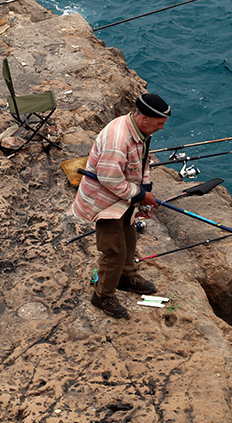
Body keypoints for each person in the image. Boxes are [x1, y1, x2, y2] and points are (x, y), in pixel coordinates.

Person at [72, 93, 171, 318]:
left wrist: (145, 192)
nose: (162, 128)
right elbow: (109, 178)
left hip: (122, 198)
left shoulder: (142, 132)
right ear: (145, 118)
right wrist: (139, 196)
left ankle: (126, 277)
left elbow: (143, 161)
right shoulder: (118, 140)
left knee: (129, 238)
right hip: (104, 202)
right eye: (159, 124)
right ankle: (102, 295)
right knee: (114, 250)